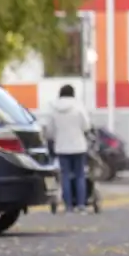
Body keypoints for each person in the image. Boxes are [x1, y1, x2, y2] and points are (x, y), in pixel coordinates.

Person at [43, 85, 92, 213]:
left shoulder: (53, 109)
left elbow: (49, 131)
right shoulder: (78, 107)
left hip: (62, 147)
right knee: (80, 175)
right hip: (79, 146)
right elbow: (86, 126)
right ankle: (81, 205)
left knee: (65, 176)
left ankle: (68, 206)